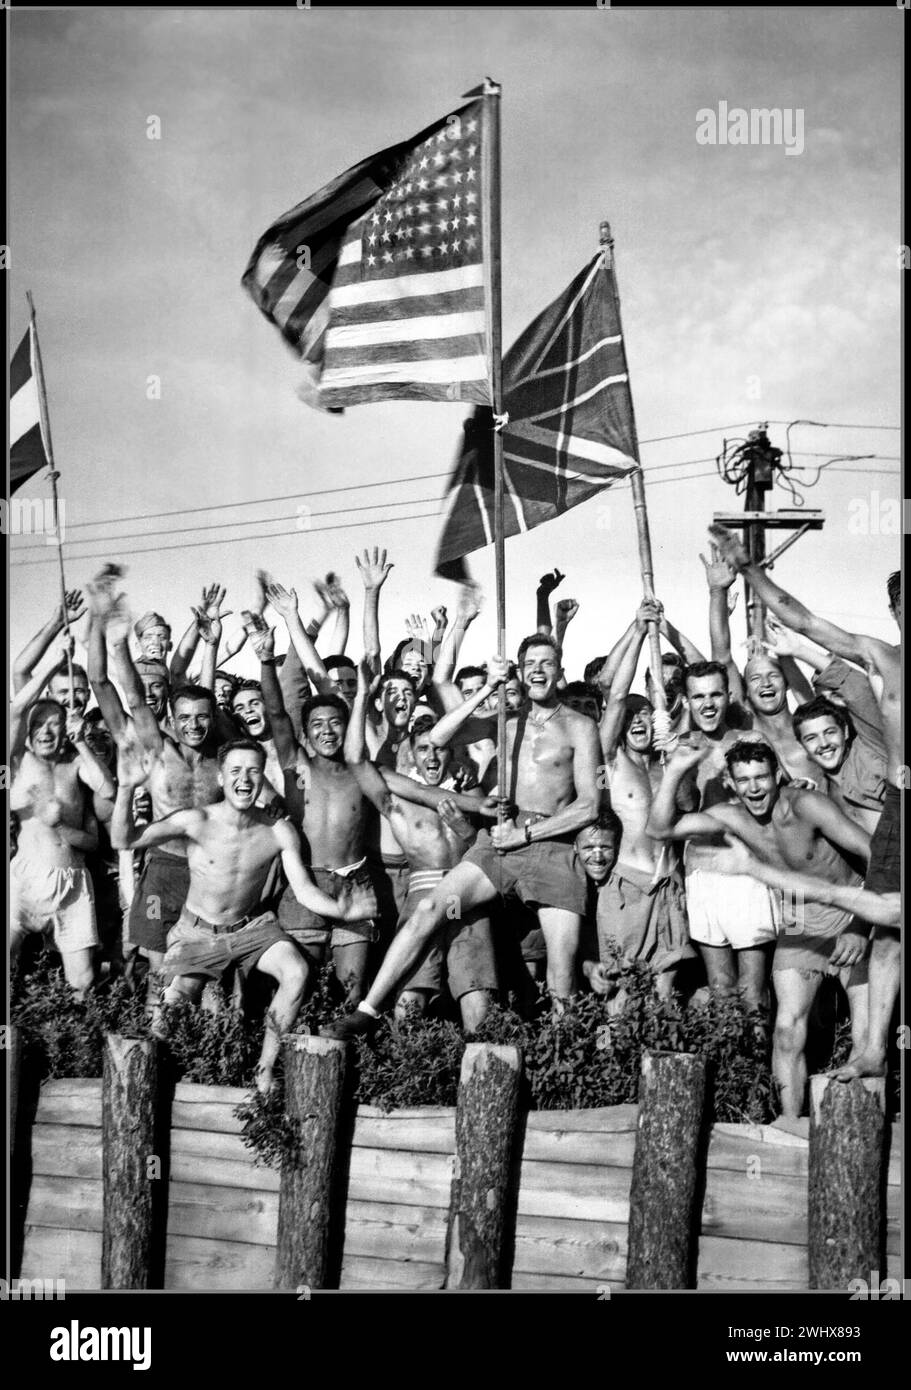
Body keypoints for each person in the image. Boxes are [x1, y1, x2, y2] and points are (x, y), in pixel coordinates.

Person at [323, 632, 600, 1040]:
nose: (538, 671)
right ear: (519, 672)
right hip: (501, 845)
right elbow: (439, 737)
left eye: (546, 663)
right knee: (432, 908)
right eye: (530, 664)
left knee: (562, 970)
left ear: (560, 668)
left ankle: (560, 1061)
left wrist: (526, 833)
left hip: (551, 844)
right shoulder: (503, 721)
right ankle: (367, 1011)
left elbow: (589, 806)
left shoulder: (580, 726)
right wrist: (489, 685)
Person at [710, 526, 901, 1083]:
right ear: (894, 612)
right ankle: (872, 1052)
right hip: (900, 807)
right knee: (888, 932)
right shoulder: (882, 657)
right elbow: (802, 617)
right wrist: (748, 569)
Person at [111, 738, 375, 1093]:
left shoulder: (277, 830)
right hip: (197, 932)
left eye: (253, 771)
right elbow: (123, 839)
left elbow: (304, 889)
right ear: (221, 778)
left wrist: (344, 909)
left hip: (251, 929)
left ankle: (265, 1072)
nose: (245, 779)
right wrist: (126, 788)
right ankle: (156, 1087)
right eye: (235, 771)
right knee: (168, 1013)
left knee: (296, 971)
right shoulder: (197, 820)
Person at [648, 739, 870, 1117]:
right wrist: (674, 771)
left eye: (762, 778)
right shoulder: (733, 816)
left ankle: (858, 1125)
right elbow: (660, 829)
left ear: (778, 775)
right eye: (744, 780)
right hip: (801, 921)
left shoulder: (807, 806)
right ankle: (789, 1124)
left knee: (864, 1041)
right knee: (786, 1030)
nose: (754, 788)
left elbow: (873, 855)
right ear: (731, 784)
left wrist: (859, 925)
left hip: (853, 909)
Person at [344, 657, 499, 1029]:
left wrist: (464, 827)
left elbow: (485, 845)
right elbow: (354, 758)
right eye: (424, 749)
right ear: (410, 753)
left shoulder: (469, 786)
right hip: (425, 891)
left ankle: (481, 1070)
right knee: (411, 994)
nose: (433, 756)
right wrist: (364, 693)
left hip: (467, 895)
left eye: (440, 748)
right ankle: (407, 1074)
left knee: (477, 991)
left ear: (452, 750)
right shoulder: (396, 795)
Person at [254, 625, 381, 1005]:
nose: (327, 731)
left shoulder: (362, 769)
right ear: (305, 735)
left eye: (335, 723)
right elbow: (276, 712)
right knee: (302, 989)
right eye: (317, 725)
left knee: (352, 988)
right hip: (304, 885)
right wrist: (265, 660)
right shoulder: (298, 767)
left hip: (355, 883)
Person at [596, 600, 695, 998]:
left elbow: (687, 807)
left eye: (646, 714)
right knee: (621, 997)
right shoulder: (612, 761)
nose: (638, 720)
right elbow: (615, 693)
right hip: (629, 886)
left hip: (670, 883)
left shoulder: (667, 760)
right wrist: (638, 631)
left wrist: (675, 760)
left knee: (665, 999)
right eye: (631, 716)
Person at [10, 656, 115, 994]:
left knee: (83, 981)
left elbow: (107, 788)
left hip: (74, 882)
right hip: (26, 879)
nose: (46, 730)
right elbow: (16, 707)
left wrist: (81, 740)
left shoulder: (72, 765)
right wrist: (59, 657)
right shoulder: (17, 761)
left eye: (55, 724)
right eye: (38, 723)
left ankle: (79, 1040)